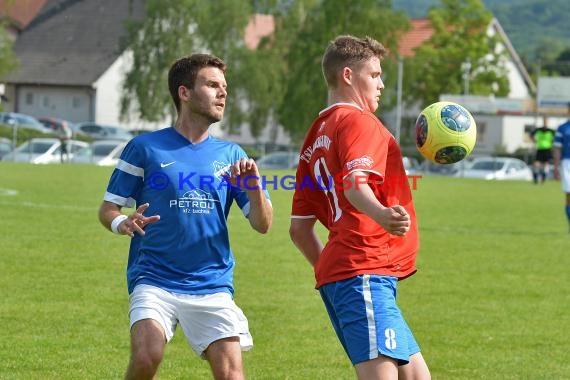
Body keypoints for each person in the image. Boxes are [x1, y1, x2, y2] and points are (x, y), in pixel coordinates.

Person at [98, 53, 273, 380]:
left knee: (232, 375)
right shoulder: (145, 148)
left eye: (224, 87)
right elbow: (108, 208)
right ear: (184, 93)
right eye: (212, 85)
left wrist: (253, 189)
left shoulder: (232, 155)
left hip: (212, 282)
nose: (223, 93)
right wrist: (123, 222)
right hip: (154, 277)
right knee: (147, 356)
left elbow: (262, 224)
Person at [289, 35, 430, 380]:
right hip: (364, 270)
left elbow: (299, 229)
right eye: (375, 74)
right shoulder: (359, 122)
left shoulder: (316, 133)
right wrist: (382, 215)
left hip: (353, 274)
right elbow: (355, 184)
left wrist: (333, 270)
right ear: (348, 75)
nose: (381, 84)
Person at [553, 102, 570, 232]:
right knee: (569, 195)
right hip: (567, 163)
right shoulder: (562, 128)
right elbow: (557, 149)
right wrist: (556, 167)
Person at [530, 116, 555, 184]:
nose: (545, 122)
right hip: (540, 149)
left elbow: (556, 138)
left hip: (547, 149)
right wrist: (534, 140)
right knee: (536, 164)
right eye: (544, 121)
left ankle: (543, 179)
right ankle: (535, 178)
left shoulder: (551, 131)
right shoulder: (538, 129)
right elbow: (531, 134)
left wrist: (552, 143)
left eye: (546, 121)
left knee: (545, 165)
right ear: (543, 121)